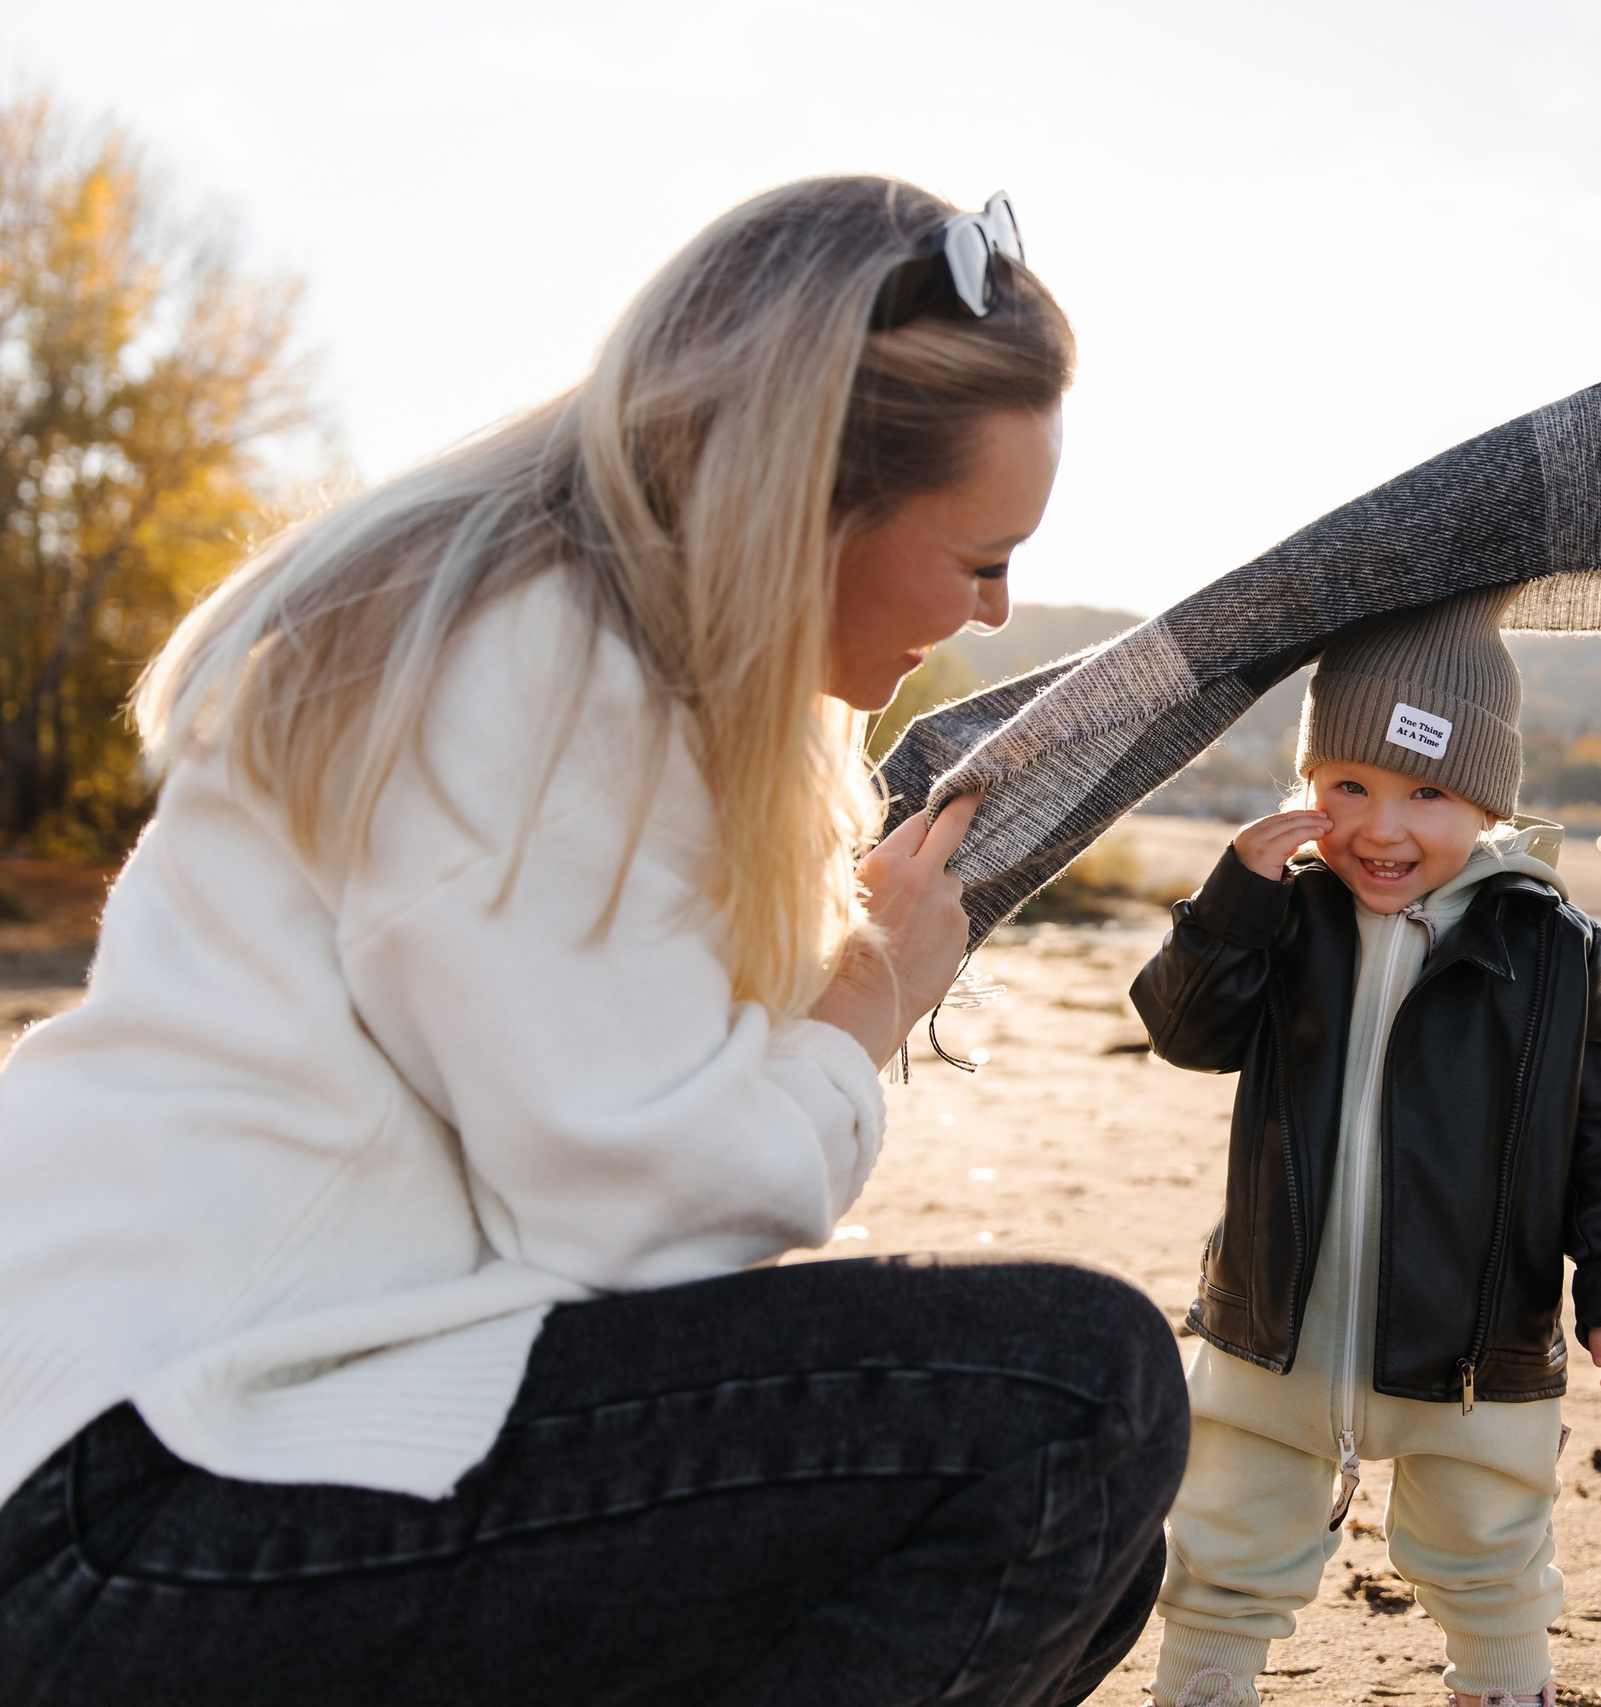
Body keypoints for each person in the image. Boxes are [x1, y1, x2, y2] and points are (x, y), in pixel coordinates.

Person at [0, 177, 1186, 1705]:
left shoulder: (573, 657)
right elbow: (646, 1220)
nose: (992, 608)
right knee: (1073, 1402)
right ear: (805, 496)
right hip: (127, 1500)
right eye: (980, 556)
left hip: (237, 1440)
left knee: (1088, 1539)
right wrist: (868, 1002)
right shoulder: (526, 663)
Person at [1129, 592, 1601, 1707]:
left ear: (1486, 800)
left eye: (1427, 792)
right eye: (1349, 788)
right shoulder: (1285, 913)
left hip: (1475, 1342)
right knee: (1224, 1541)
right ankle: (1201, 1689)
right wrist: (1230, 906)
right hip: (1276, 1325)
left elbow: (1600, 1129)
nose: (1382, 828)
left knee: (1492, 1551)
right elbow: (1185, 1034)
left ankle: (1503, 1687)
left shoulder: (1550, 943)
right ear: (1309, 786)